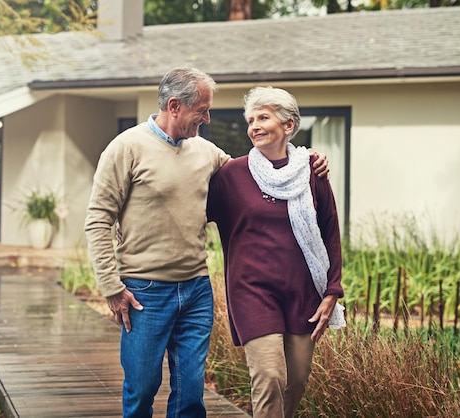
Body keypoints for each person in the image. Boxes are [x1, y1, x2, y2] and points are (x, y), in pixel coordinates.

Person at [84, 67, 329, 418]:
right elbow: (97, 220)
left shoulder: (207, 152)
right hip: (144, 293)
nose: (207, 117)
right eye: (202, 109)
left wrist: (307, 161)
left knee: (190, 394)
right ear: (174, 106)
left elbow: (258, 176)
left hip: (196, 290)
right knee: (141, 389)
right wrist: (111, 285)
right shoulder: (126, 148)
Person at [206, 86, 346, 418]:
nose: (254, 125)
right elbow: (190, 211)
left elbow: (329, 228)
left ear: (288, 125)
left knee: (295, 381)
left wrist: (332, 290)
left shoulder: (311, 170)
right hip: (252, 291)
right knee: (269, 377)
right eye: (250, 120)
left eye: (263, 117)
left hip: (302, 292)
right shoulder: (231, 175)